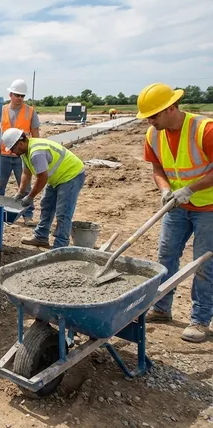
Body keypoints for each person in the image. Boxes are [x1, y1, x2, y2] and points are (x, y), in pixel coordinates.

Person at [137, 82, 213, 343]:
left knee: (202, 263)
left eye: (154, 115)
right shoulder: (153, 134)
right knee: (166, 256)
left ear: (171, 108)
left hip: (208, 208)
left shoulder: (205, 129)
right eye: (148, 116)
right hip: (176, 206)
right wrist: (165, 189)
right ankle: (161, 307)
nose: (150, 121)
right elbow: (157, 168)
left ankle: (200, 320)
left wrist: (191, 189)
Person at [0, 127, 86, 249]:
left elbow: (42, 178)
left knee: (63, 211)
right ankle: (41, 237)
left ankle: (60, 246)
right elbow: (26, 172)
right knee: (47, 205)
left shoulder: (36, 153)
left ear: (20, 143)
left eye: (13, 148)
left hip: (71, 175)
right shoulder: (25, 152)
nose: (12, 152)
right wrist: (21, 192)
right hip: (57, 177)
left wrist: (30, 197)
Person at [0, 79, 41, 227]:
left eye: (22, 95)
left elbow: (35, 133)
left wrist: (36, 151)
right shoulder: (0, 111)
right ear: (10, 95)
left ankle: (28, 215)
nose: (20, 98)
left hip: (22, 156)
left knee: (26, 187)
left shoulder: (30, 111)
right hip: (3, 155)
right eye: (17, 95)